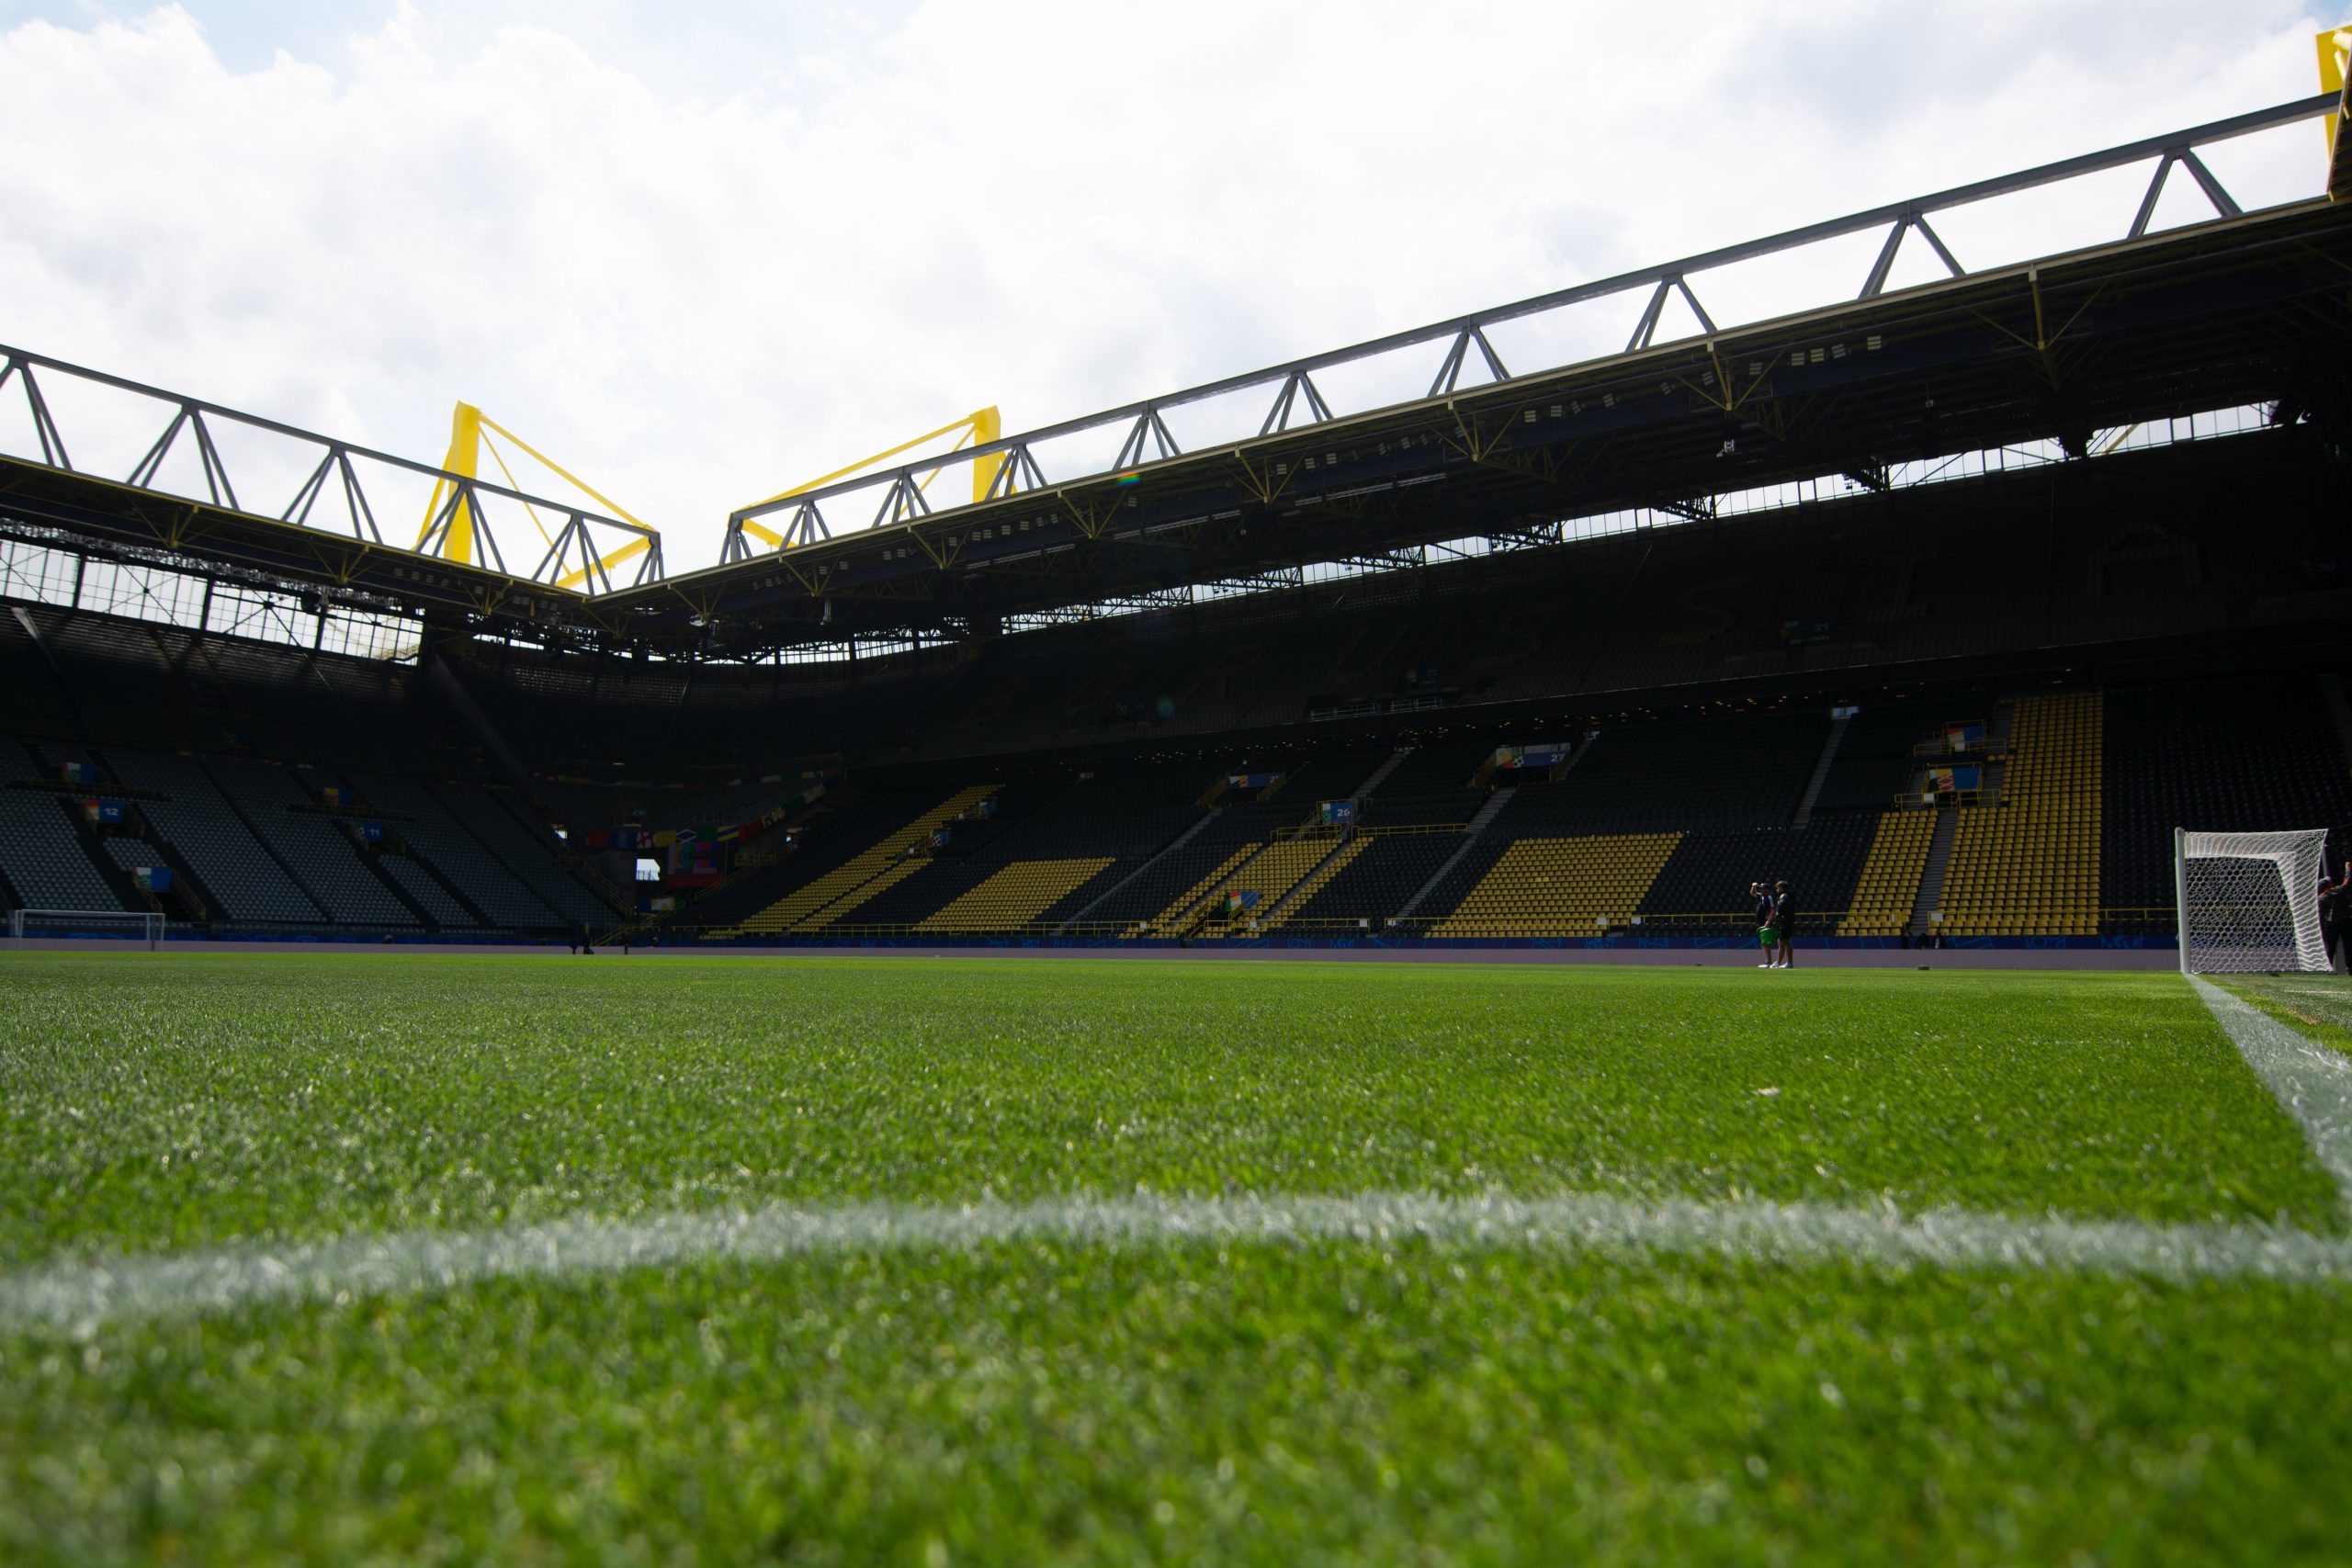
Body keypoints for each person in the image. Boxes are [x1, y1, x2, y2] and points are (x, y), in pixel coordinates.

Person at [1770, 878, 1796, 969]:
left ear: (1781, 888)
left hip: (1785, 921)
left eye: (1778, 888)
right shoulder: (1789, 895)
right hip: (1783, 921)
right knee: (1780, 942)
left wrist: (1777, 914)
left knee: (1785, 941)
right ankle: (1778, 962)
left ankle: (1790, 962)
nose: (1777, 890)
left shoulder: (1785, 896)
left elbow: (1781, 906)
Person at [1751, 879, 1776, 968]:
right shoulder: (1762, 897)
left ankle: (1770, 962)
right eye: (1760, 888)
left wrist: (1768, 922)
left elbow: (1773, 911)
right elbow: (1753, 893)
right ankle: (1768, 961)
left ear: (1768, 890)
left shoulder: (1769, 897)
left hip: (1766, 922)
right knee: (1763, 942)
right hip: (1761, 922)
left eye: (1763, 889)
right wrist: (1754, 886)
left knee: (1767, 941)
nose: (1761, 890)